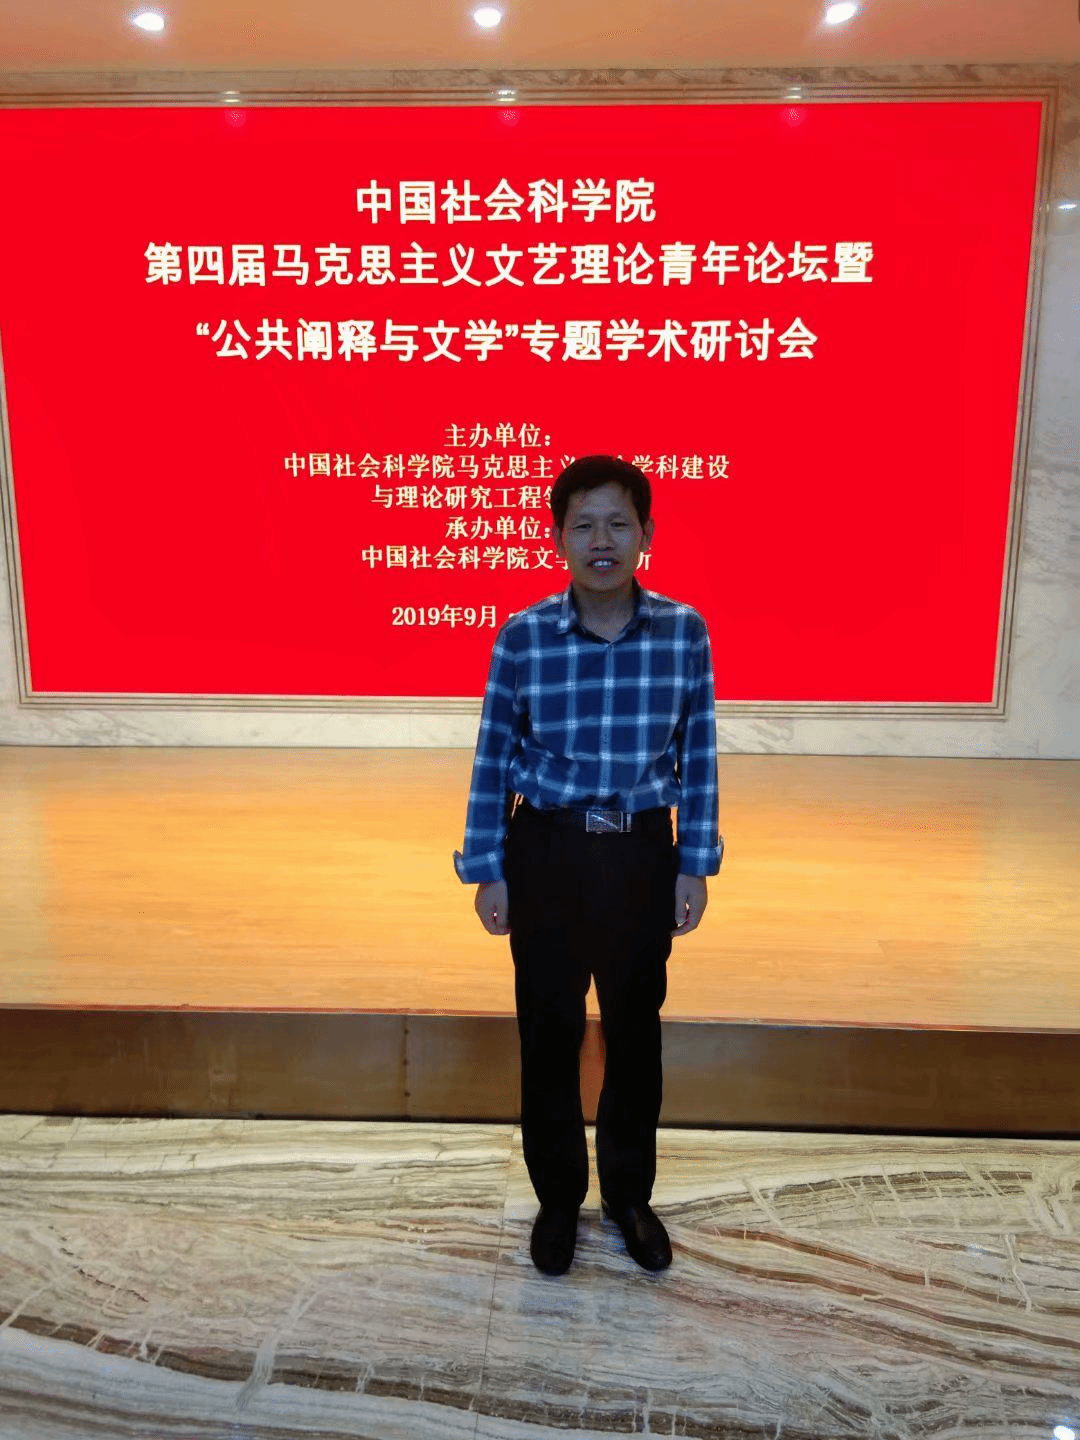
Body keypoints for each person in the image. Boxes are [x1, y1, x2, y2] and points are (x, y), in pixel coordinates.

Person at [453, 454, 723, 1276]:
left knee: (635, 1033)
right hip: (548, 852)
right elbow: (493, 756)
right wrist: (488, 865)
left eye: (618, 524)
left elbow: (699, 753)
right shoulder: (524, 635)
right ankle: (559, 1199)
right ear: (558, 538)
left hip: (641, 853)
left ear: (646, 533)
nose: (601, 540)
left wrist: (694, 861)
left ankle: (630, 1196)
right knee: (549, 1034)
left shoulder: (684, 632)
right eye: (584, 525)